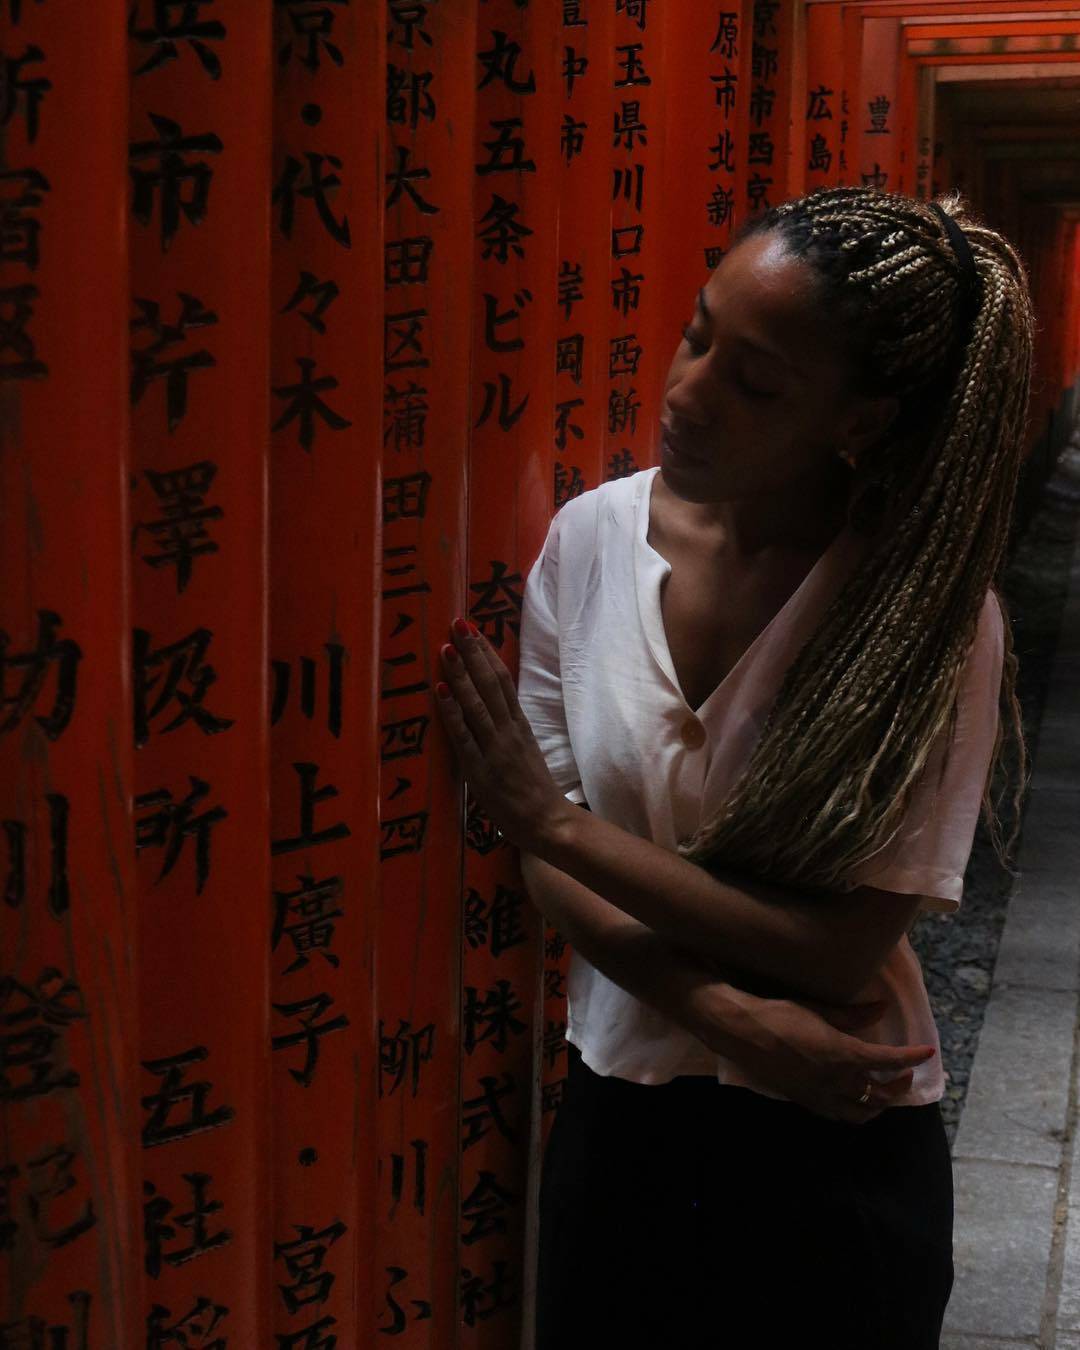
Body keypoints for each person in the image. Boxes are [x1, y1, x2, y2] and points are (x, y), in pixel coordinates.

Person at [433, 186, 1034, 1348]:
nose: (688, 394)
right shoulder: (589, 542)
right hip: (621, 1118)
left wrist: (551, 827)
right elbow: (550, 883)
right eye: (699, 332)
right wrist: (725, 1016)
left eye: (758, 383)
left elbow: (835, 945)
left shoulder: (926, 618)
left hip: (835, 1144)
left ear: (859, 420)